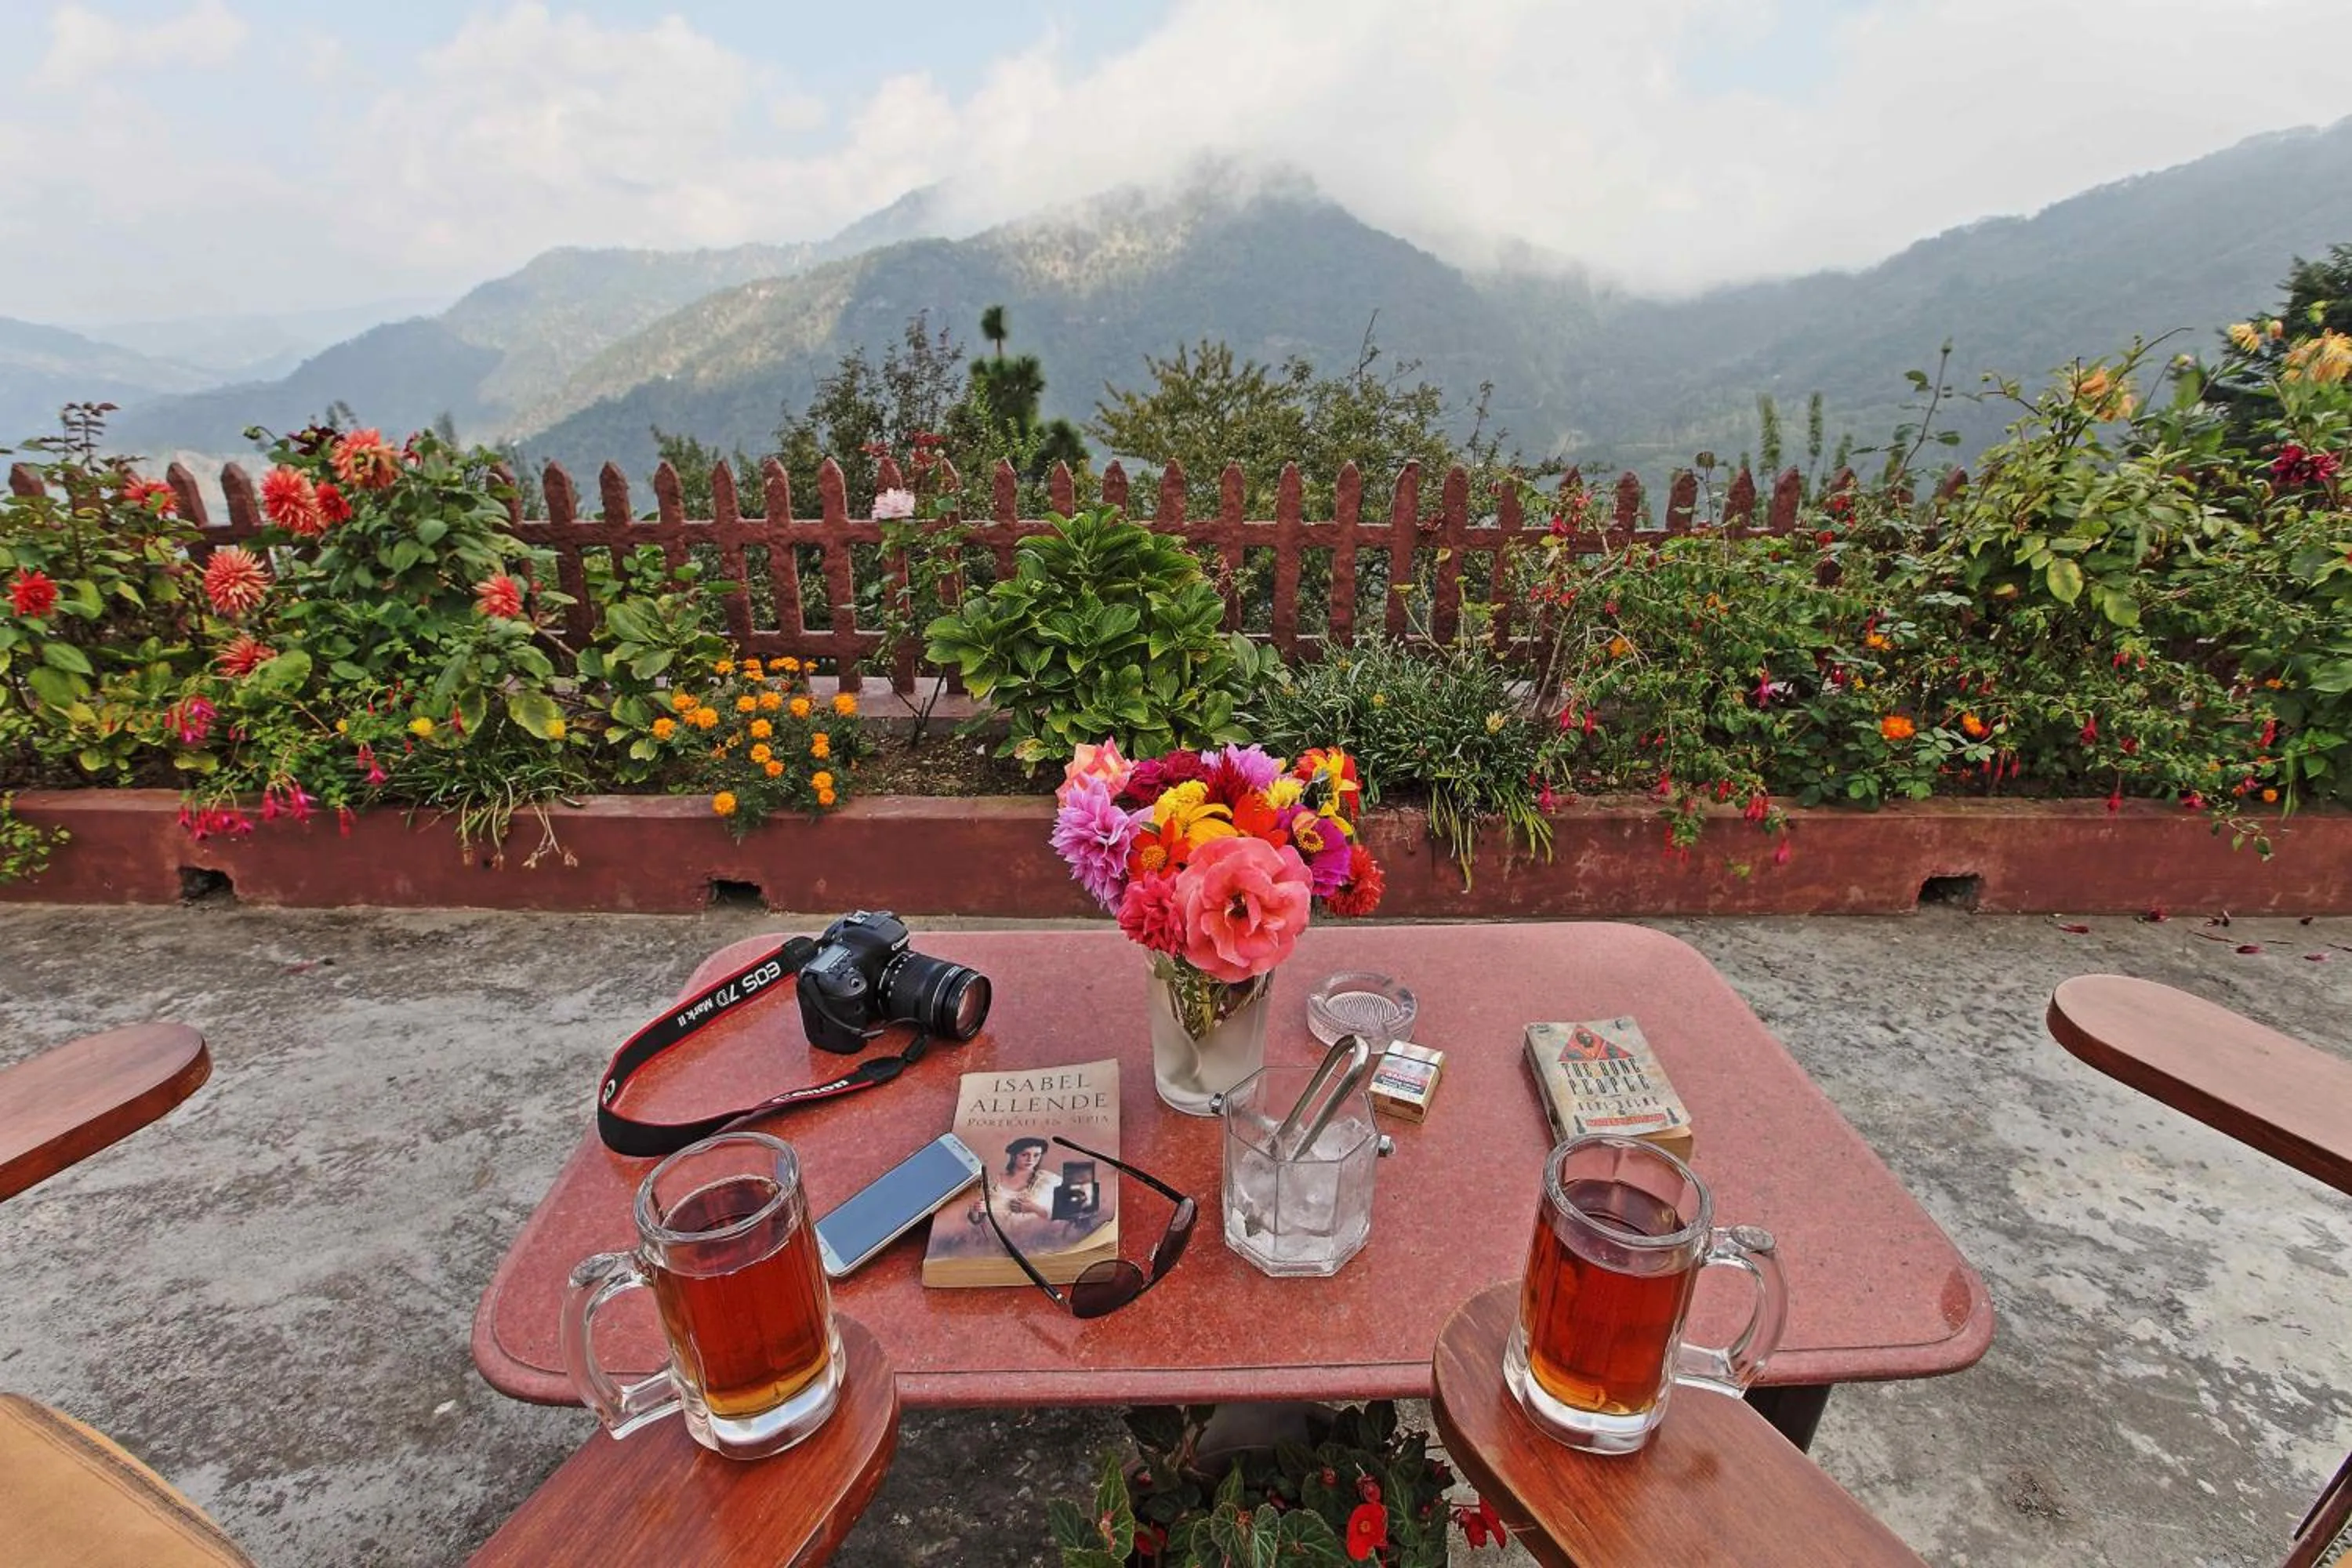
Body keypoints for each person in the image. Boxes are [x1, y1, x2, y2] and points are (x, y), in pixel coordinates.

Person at [967, 1137, 1061, 1225]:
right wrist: (976, 1209)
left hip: (1038, 1236)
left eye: (1036, 1155)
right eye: (1024, 1155)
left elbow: (1066, 1214)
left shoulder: (1047, 1180)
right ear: (1014, 1156)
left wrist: (1034, 1208)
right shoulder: (993, 1182)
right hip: (997, 1237)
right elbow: (976, 1220)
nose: (1031, 1159)